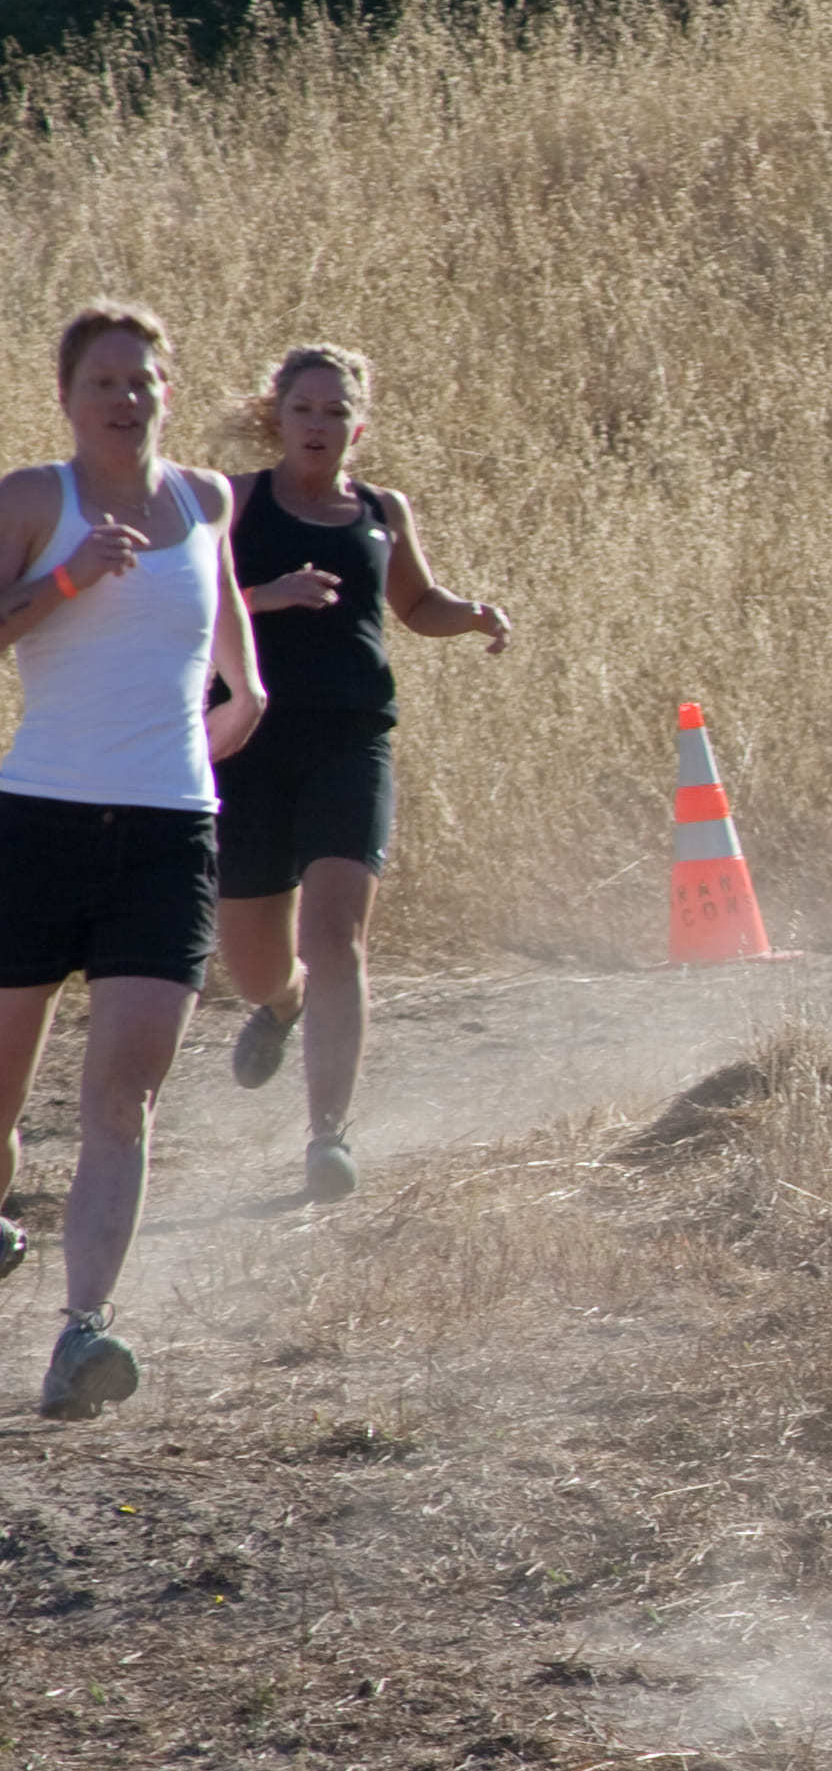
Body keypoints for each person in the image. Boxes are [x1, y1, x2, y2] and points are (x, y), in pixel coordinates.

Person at [0, 303, 264, 1420]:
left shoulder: (205, 499)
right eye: (103, 380)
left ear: (167, 388)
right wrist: (62, 583)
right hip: (40, 818)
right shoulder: (33, 500)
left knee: (125, 1091)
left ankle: (83, 1331)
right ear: (68, 397)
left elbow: (230, 645)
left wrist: (214, 723)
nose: (124, 397)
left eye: (141, 379)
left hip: (167, 830)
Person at [214, 345, 510, 1203]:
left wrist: (473, 617)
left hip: (352, 741)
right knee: (256, 960)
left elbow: (416, 605)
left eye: (337, 413)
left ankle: (327, 1136)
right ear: (279, 416)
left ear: (359, 428)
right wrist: (267, 596)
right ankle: (280, 1006)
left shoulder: (382, 510)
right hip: (250, 741)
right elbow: (189, 598)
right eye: (305, 409)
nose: (320, 426)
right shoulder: (235, 501)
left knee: (336, 934)